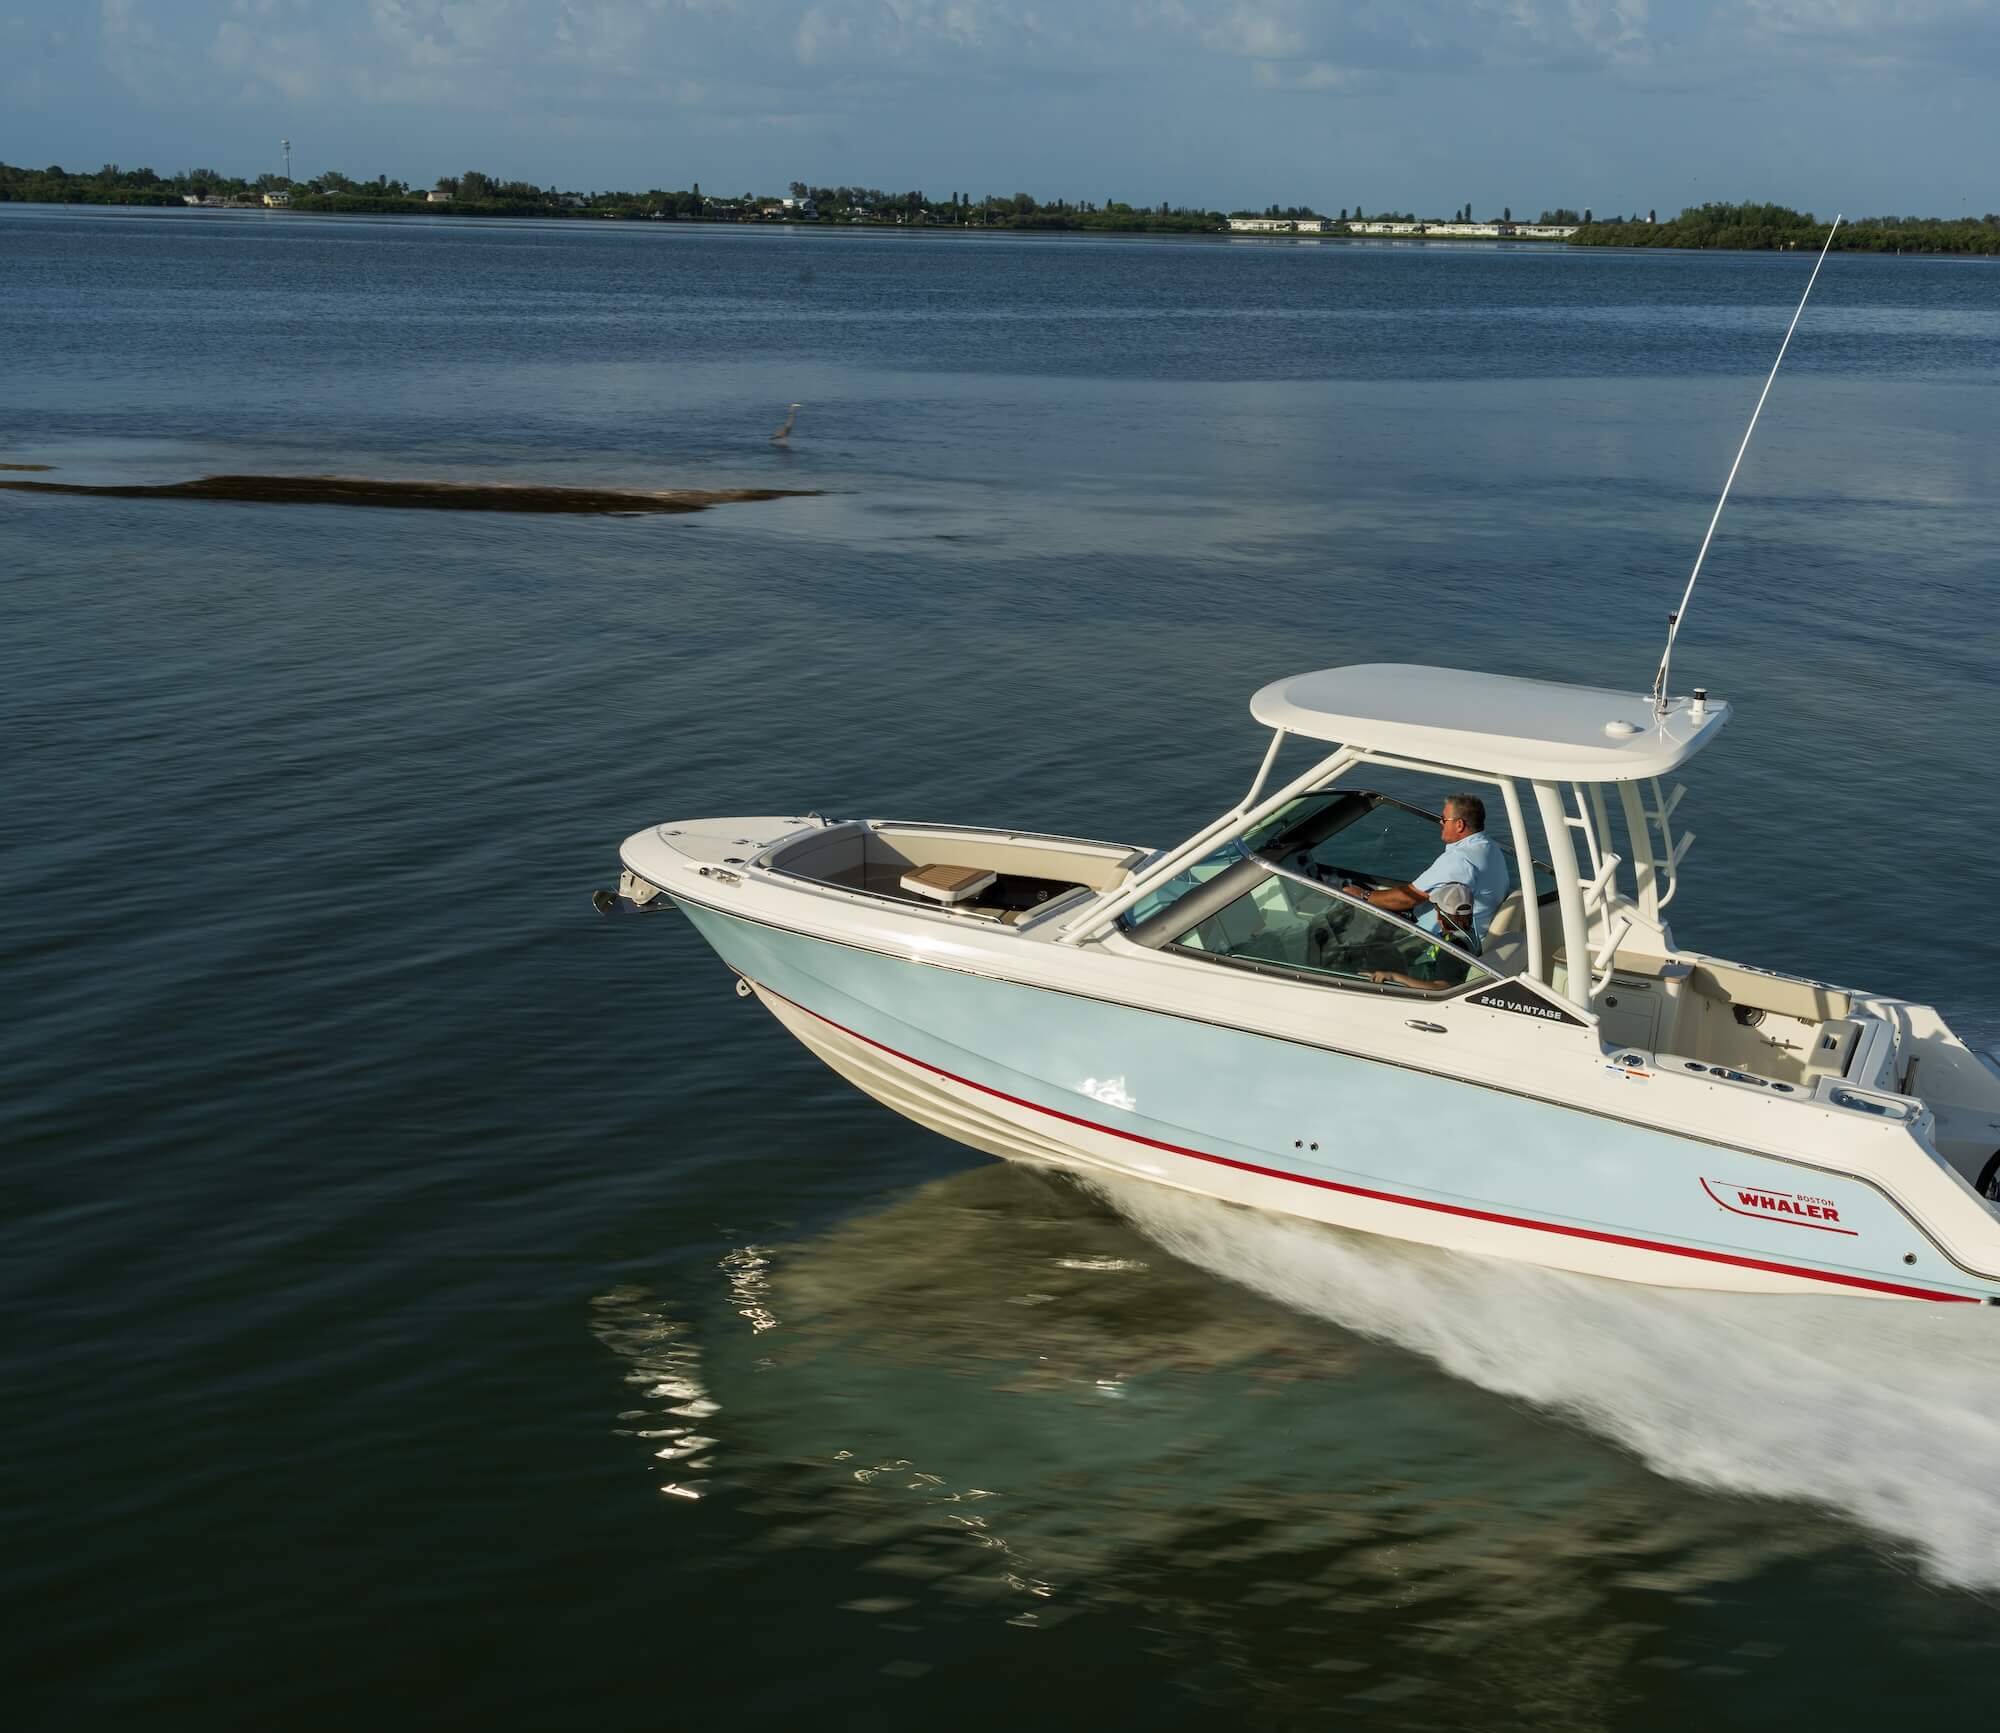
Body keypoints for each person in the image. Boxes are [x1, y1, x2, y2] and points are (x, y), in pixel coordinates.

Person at [1341, 793, 1510, 950]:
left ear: (1459, 825)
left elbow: (1407, 898)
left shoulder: (1459, 861)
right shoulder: (1490, 848)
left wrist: (1363, 895)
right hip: (1470, 932)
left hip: (1445, 942)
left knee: (1361, 945)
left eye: (1444, 819)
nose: (1440, 822)